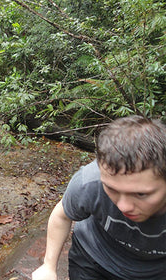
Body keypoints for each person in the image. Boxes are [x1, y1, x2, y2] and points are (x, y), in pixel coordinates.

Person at [32, 115, 166, 280]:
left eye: (141, 194)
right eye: (111, 189)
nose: (124, 206)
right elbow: (61, 216)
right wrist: (49, 266)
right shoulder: (89, 182)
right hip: (93, 258)